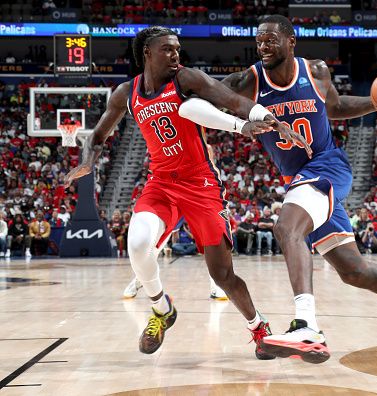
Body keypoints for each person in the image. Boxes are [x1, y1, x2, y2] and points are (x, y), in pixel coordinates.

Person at [218, 15, 377, 363]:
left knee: (286, 227)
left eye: (271, 39)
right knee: (354, 272)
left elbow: (333, 106)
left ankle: (307, 325)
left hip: (327, 168)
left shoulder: (315, 71)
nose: (263, 46)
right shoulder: (248, 81)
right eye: (259, 41)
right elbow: (208, 95)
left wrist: (376, 103)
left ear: (291, 42)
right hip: (299, 182)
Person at [65, 26, 306, 359]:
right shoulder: (126, 93)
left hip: (200, 184)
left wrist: (267, 120)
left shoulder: (187, 78)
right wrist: (89, 162)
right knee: (136, 243)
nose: (176, 54)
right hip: (161, 183)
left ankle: (258, 327)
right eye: (167, 49)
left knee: (222, 275)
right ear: (147, 53)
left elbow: (232, 100)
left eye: (178, 48)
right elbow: (96, 136)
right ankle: (162, 309)